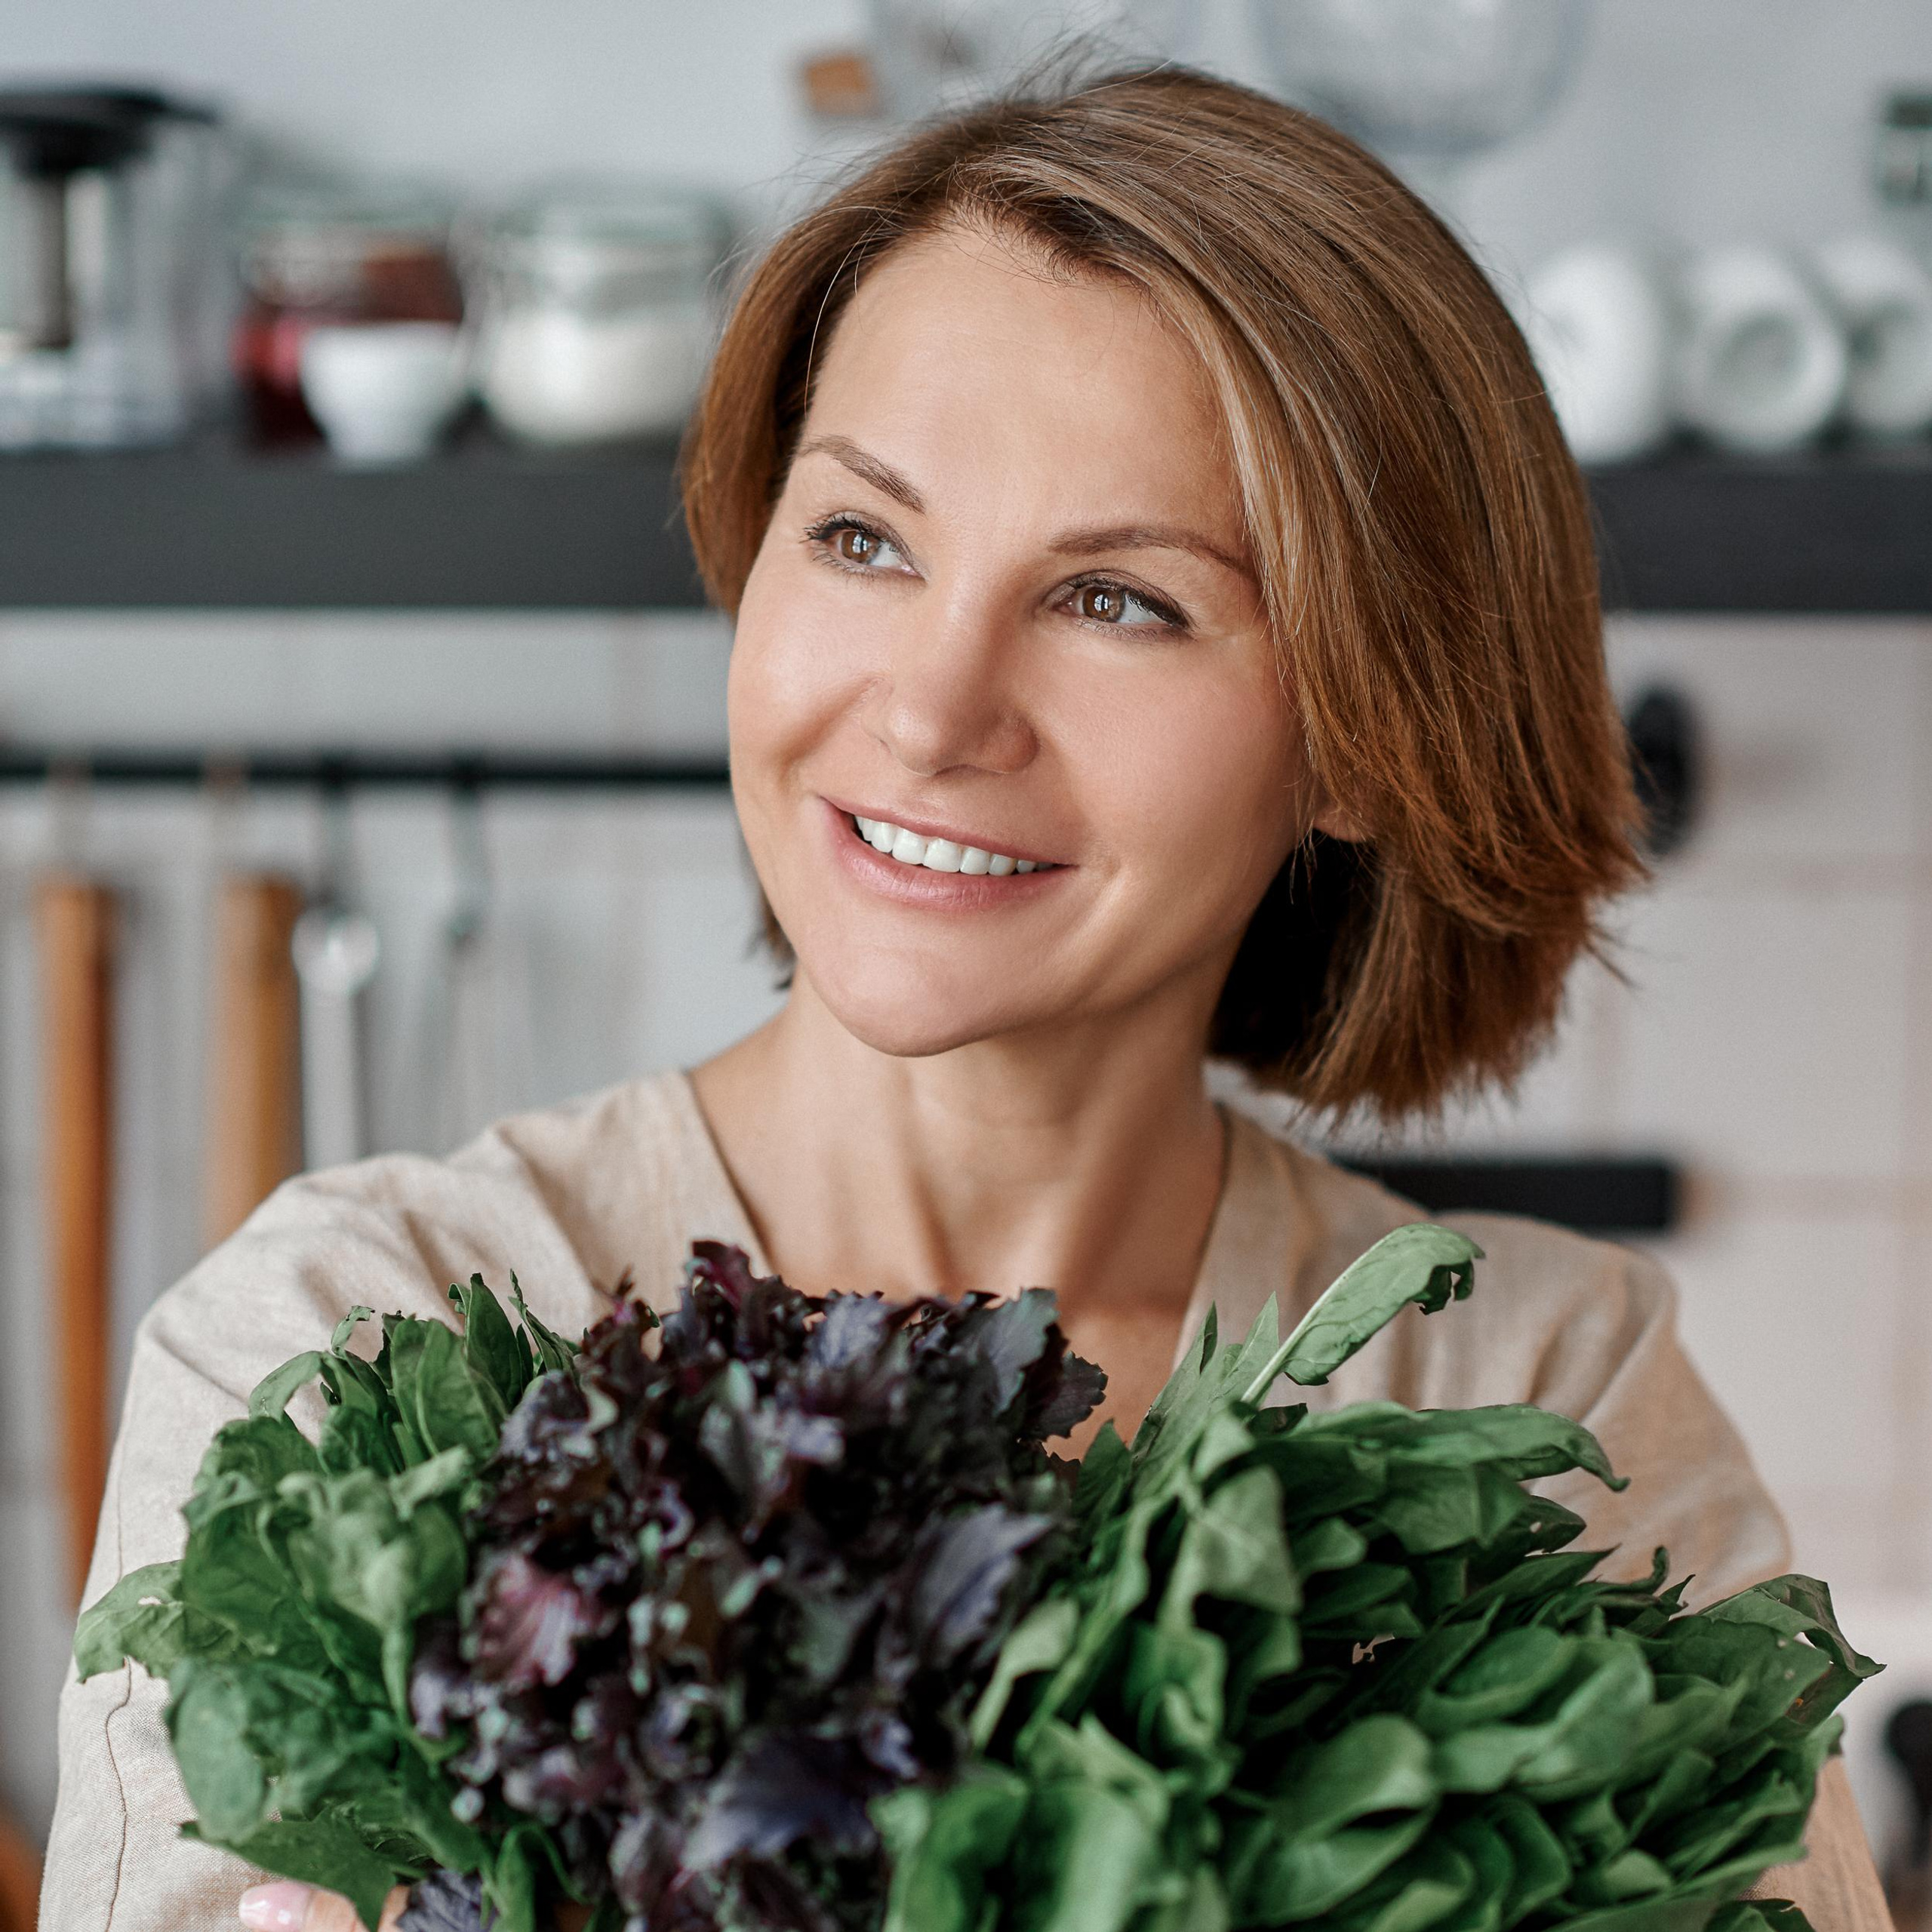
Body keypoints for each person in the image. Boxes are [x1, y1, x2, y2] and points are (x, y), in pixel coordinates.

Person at [42, 63, 1887, 1932]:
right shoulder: (359, 1346)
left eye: (1117, 600)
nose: (928, 710)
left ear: (1360, 733)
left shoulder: (1534, 1398)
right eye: (861, 537)